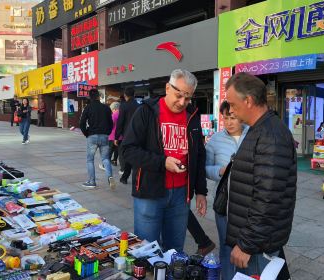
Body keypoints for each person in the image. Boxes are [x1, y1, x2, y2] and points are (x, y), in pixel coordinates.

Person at [122, 69, 207, 252]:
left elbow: (199, 154)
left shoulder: (192, 116)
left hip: (181, 194)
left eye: (188, 97)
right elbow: (128, 150)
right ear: (167, 88)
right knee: (147, 250)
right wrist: (162, 162)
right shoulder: (146, 111)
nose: (182, 102)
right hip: (150, 193)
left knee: (175, 250)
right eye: (179, 95)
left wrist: (201, 190)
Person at [225, 73, 297, 276]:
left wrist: (247, 244)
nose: (230, 110)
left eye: (232, 103)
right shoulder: (260, 129)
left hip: (257, 246)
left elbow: (268, 197)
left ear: (247, 100)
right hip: (257, 240)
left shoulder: (271, 135)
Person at [205, 101, 248, 278]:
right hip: (225, 202)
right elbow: (205, 168)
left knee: (247, 246)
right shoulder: (215, 139)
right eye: (225, 118)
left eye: (233, 117)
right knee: (226, 244)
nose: (229, 122)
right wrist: (219, 171)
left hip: (248, 202)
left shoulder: (252, 135)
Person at [79, 89, 115, 189]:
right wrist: (107, 133)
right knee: (105, 159)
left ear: (90, 97)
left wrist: (87, 133)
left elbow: (81, 123)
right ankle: (110, 177)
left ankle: (92, 181)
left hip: (92, 136)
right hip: (104, 136)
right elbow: (111, 123)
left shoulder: (88, 108)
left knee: (90, 160)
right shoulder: (106, 108)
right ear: (99, 96)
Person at [115, 87, 139, 184]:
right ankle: (135, 177)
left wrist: (117, 137)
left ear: (125, 95)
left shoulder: (123, 106)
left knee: (128, 156)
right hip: (138, 134)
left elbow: (120, 122)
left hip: (127, 135)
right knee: (137, 155)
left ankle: (125, 178)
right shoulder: (139, 106)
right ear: (134, 94)